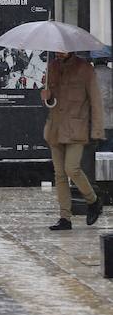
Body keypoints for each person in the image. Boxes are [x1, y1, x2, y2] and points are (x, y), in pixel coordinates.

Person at [42, 51, 104, 230]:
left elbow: (96, 102)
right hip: (55, 128)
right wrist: (47, 97)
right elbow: (52, 102)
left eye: (63, 49)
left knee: (72, 168)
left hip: (76, 128)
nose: (59, 52)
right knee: (59, 174)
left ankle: (93, 200)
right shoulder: (52, 67)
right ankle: (65, 218)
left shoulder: (85, 69)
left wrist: (97, 130)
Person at [95, 59, 113, 152]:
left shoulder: (88, 74)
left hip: (91, 123)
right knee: (106, 154)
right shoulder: (111, 74)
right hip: (109, 122)